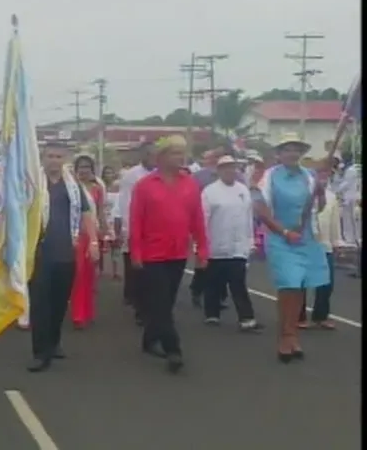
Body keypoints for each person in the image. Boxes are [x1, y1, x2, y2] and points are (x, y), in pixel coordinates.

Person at [129, 135, 208, 374]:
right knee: (161, 303)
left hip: (177, 252)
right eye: (175, 153)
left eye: (182, 153)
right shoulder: (145, 185)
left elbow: (197, 219)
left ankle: (149, 338)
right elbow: (136, 221)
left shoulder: (190, 184)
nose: (180, 157)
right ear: (161, 157)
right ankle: (173, 349)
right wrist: (136, 252)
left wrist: (203, 250)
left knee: (166, 301)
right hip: (152, 253)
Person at [253, 133, 330, 363]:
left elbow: (319, 207)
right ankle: (285, 336)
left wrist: (321, 192)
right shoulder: (269, 177)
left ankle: (292, 333)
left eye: (296, 149)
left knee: (299, 288)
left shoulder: (309, 176)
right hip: (281, 239)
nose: (292, 153)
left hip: (306, 239)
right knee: (288, 285)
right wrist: (285, 232)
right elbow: (262, 211)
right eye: (287, 149)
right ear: (279, 153)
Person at [28, 143, 98, 373]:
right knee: (40, 304)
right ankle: (40, 352)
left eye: (58, 156)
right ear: (43, 158)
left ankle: (53, 342)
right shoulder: (33, 183)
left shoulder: (73, 186)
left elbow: (86, 213)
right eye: (50, 156)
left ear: (64, 159)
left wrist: (93, 241)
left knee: (59, 302)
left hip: (66, 253)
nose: (54, 160)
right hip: (38, 253)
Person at [201, 156, 261, 331]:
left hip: (238, 247)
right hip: (216, 246)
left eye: (232, 167)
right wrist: (201, 246)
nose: (230, 171)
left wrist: (250, 241)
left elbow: (248, 218)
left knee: (238, 283)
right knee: (213, 283)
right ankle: (212, 314)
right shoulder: (209, 192)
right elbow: (203, 219)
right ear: (219, 170)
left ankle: (247, 318)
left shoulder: (242, 190)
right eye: (225, 168)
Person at [113, 141, 156, 324]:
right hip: (137, 227)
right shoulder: (131, 176)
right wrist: (126, 229)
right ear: (142, 155)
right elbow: (125, 203)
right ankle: (140, 308)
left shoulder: (162, 174)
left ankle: (153, 307)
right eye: (149, 154)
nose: (152, 158)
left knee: (154, 272)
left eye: (155, 154)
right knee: (137, 270)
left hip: (157, 229)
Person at [297, 162, 343, 330]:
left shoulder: (331, 196)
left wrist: (336, 242)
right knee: (301, 282)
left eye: (327, 172)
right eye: (320, 172)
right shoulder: (301, 193)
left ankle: (321, 315)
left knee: (327, 283)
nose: (323, 175)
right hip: (304, 244)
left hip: (324, 245)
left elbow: (334, 221)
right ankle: (299, 316)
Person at [69, 154, 105, 329]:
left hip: (93, 235)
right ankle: (78, 314)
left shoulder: (97, 188)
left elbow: (100, 212)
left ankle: (88, 311)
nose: (84, 170)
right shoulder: (71, 188)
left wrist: (104, 231)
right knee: (78, 275)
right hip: (77, 236)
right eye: (81, 167)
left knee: (90, 276)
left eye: (87, 167)